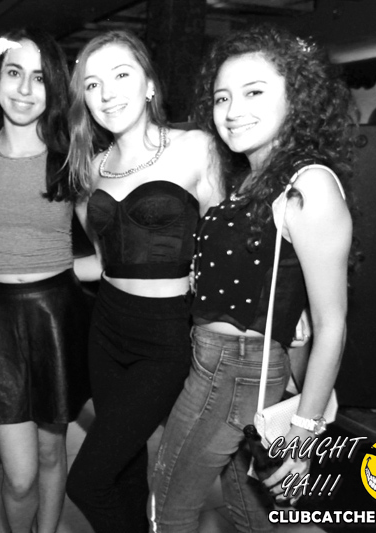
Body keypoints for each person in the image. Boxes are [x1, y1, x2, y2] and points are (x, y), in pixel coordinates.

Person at [148, 24, 356, 532]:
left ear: (296, 98)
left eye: (254, 92)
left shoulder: (308, 184)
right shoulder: (254, 178)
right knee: (252, 517)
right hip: (222, 365)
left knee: (168, 507)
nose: (233, 109)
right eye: (222, 97)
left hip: (236, 371)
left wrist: (303, 435)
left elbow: (332, 326)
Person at [63, 30, 222, 533]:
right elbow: (103, 261)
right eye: (92, 84)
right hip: (107, 328)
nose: (106, 93)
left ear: (150, 84)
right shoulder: (92, 167)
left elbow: (228, 243)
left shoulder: (196, 148)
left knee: (87, 482)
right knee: (125, 472)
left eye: (121, 75)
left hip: (166, 337)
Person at [0, 27, 90, 533]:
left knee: (50, 453)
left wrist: (60, 271)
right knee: (18, 476)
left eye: (39, 78)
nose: (24, 89)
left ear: (54, 86)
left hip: (55, 315)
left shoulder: (70, 155)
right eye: (14, 73)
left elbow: (108, 252)